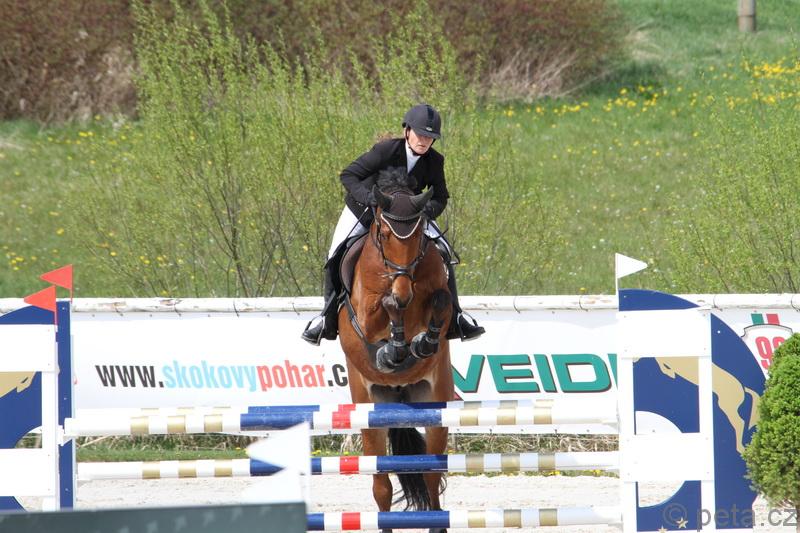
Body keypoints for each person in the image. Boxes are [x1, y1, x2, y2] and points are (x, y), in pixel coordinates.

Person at [301, 103, 485, 345]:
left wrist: (426, 212)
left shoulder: (435, 161)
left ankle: (457, 317)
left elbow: (441, 196)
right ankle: (326, 318)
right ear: (407, 131)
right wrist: (367, 198)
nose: (424, 141)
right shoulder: (386, 150)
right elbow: (348, 175)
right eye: (420, 134)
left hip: (407, 218)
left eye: (430, 137)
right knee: (336, 253)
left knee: (444, 252)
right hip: (364, 211)